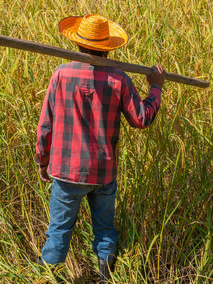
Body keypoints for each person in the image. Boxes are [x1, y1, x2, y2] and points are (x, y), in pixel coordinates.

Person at [34, 14, 166, 283]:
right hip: (103, 171)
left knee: (59, 229)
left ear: (78, 45)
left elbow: (45, 125)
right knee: (105, 228)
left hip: (66, 170)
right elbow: (142, 119)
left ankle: (48, 275)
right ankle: (106, 277)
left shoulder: (61, 74)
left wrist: (42, 160)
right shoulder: (119, 79)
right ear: (108, 47)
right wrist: (155, 87)